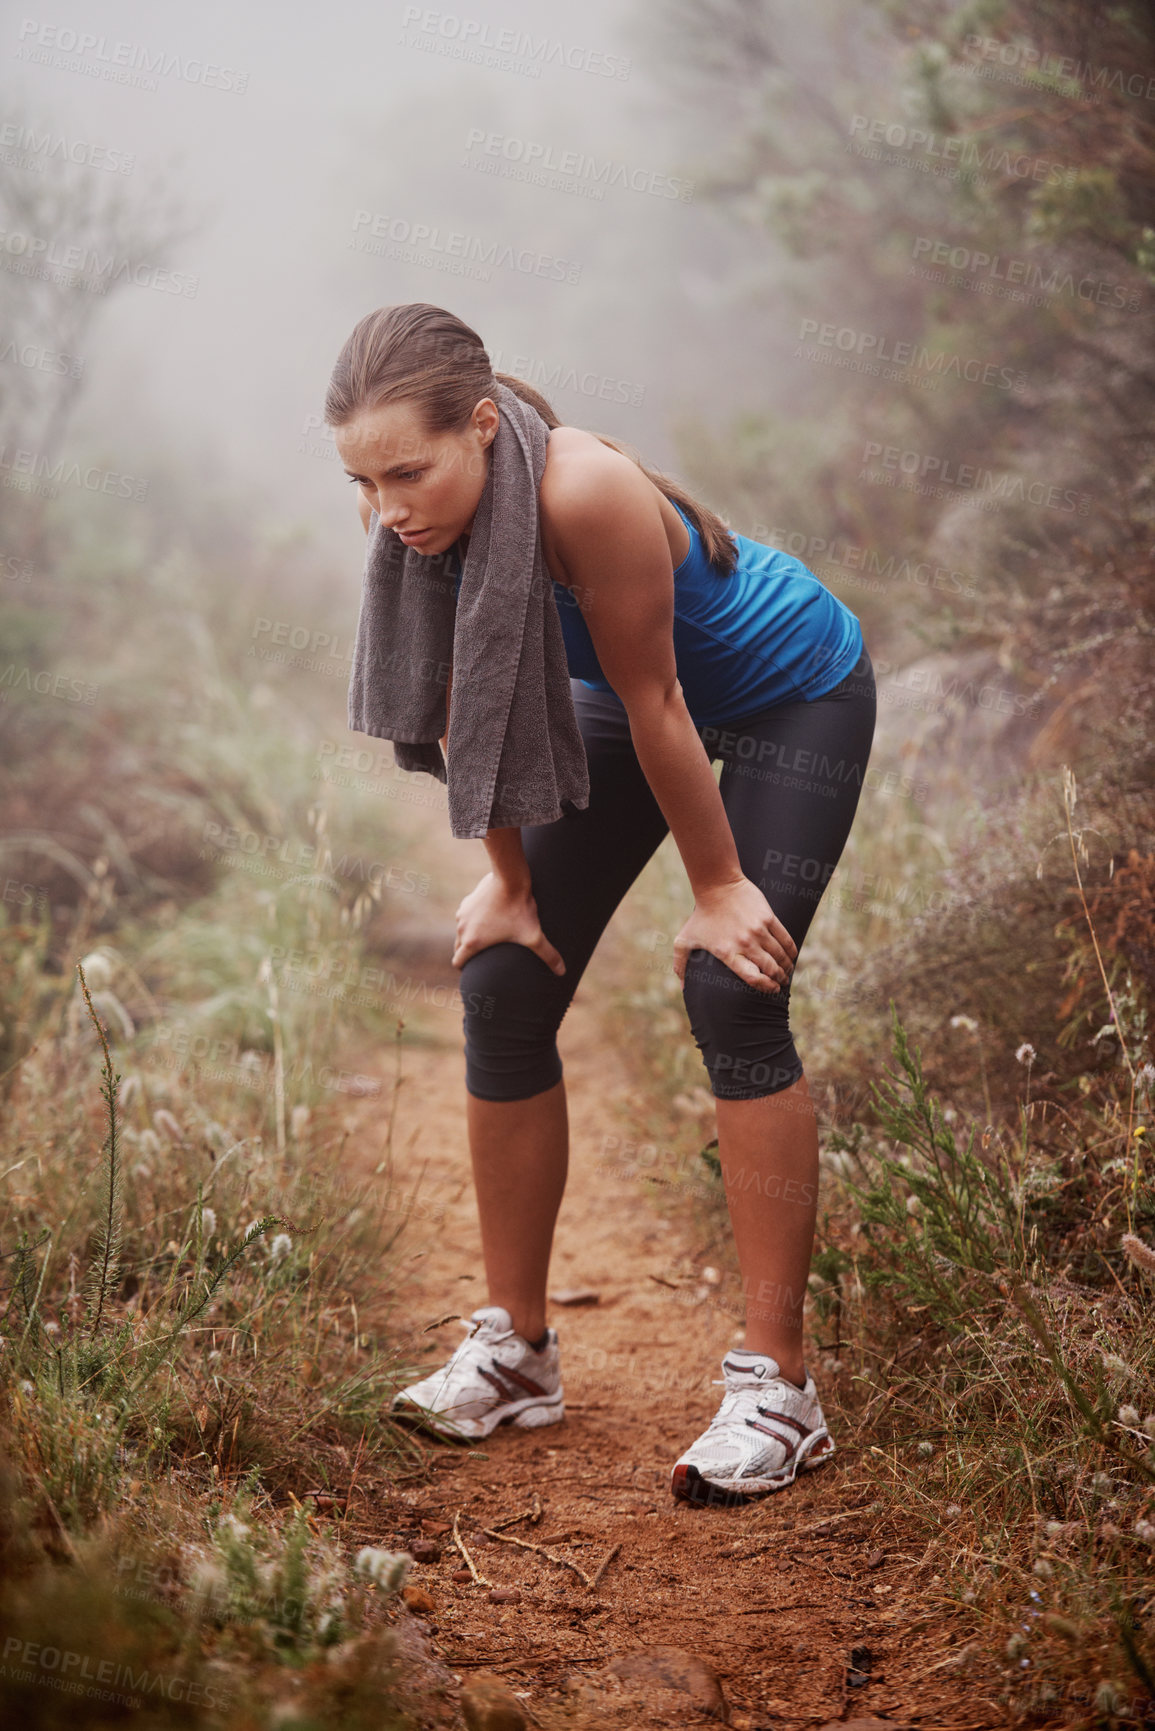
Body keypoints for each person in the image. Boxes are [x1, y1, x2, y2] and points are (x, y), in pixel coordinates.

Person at [326, 302, 877, 1506]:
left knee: (732, 989)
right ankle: (517, 1351)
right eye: (364, 482)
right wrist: (515, 888)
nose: (390, 508)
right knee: (504, 978)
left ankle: (779, 1386)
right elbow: (471, 721)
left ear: (483, 428)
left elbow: (658, 706)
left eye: (410, 472)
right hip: (643, 711)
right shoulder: (420, 525)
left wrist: (719, 888)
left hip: (790, 696)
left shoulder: (584, 493)